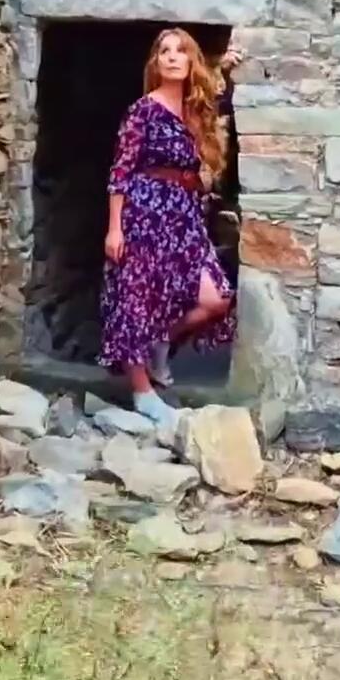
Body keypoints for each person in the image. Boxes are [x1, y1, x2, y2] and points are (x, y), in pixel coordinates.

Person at [99, 29, 241, 424]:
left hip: (183, 214)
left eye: (181, 51)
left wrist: (224, 70)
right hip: (143, 212)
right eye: (165, 51)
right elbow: (120, 172)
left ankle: (160, 343)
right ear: (156, 62)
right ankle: (143, 394)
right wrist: (115, 228)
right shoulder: (142, 110)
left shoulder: (195, 111)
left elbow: (217, 101)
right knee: (135, 301)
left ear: (192, 61)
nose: (173, 57)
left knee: (216, 298)